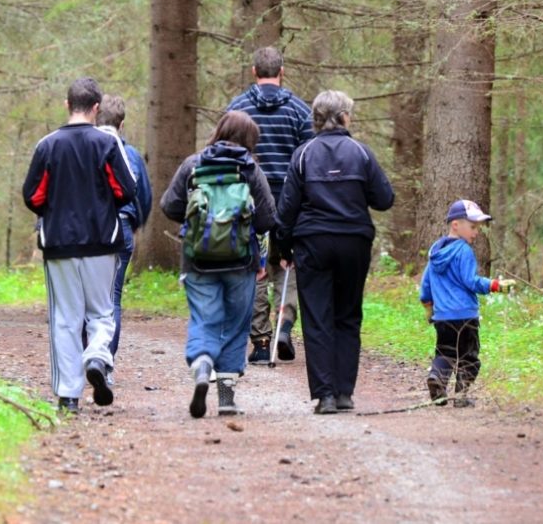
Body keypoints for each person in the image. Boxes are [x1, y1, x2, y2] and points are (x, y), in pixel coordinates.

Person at [275, 90, 394, 415]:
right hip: (354, 242)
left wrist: (284, 248)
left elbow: (285, 212)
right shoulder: (361, 153)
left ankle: (325, 395)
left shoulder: (303, 154)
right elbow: (384, 199)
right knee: (348, 315)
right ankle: (344, 393)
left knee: (317, 318)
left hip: (313, 243)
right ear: (343, 117)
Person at [22, 78, 137, 414]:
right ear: (97, 108)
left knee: (65, 318)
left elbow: (33, 196)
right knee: (101, 311)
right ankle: (98, 357)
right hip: (102, 241)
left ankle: (68, 397)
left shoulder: (47, 145)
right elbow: (125, 191)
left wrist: (55, 208)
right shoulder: (106, 143)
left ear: (66, 104)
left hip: (59, 243)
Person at [160, 111, 275, 418]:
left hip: (197, 260)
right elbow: (266, 218)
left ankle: (201, 364)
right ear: (250, 140)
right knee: (236, 325)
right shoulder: (251, 169)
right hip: (242, 261)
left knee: (204, 319)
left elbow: (169, 206)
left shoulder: (193, 164)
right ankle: (226, 398)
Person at [226, 46, 313, 365]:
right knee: (287, 266)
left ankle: (262, 342)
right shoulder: (301, 111)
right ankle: (284, 327)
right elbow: (308, 159)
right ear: (282, 71)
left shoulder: (238, 108)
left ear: (253, 71)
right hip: (289, 201)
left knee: (255, 269)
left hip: (247, 200)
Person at [419, 200, 516, 408]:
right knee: (468, 357)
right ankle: (460, 397)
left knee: (444, 353)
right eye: (473, 227)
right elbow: (470, 281)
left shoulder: (435, 252)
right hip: (465, 316)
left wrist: (429, 308)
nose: (476, 232)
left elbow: (426, 285)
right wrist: (496, 285)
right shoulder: (463, 251)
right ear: (456, 225)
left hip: (442, 316)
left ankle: (437, 379)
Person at [96, 95, 153, 373]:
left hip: (91, 230)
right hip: (122, 229)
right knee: (112, 298)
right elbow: (144, 196)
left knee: (88, 298)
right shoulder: (130, 154)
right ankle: (105, 363)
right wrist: (137, 222)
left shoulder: (87, 149)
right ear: (122, 122)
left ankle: (90, 355)